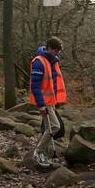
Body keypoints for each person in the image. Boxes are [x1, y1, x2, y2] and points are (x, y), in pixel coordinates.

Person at [30, 36, 68, 168]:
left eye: (58, 51)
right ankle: (38, 152)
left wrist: (56, 101)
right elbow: (35, 86)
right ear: (50, 48)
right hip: (44, 102)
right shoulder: (39, 62)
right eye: (56, 50)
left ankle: (42, 154)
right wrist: (40, 105)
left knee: (49, 128)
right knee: (55, 126)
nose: (57, 53)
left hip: (50, 101)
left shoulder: (51, 61)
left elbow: (53, 83)